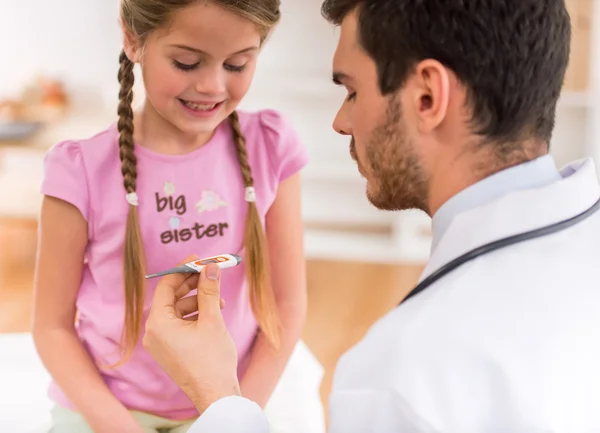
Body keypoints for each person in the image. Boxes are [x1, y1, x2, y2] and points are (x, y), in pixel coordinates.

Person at [142, 0, 600, 431]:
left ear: (427, 97)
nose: (341, 121)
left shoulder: (399, 374)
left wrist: (216, 395)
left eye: (353, 90)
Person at [32, 1, 311, 432]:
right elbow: (52, 327)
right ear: (132, 38)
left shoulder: (270, 146)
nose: (212, 86)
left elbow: (288, 304)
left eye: (237, 64)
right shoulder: (80, 171)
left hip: (227, 404)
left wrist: (232, 412)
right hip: (104, 412)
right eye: (186, 62)